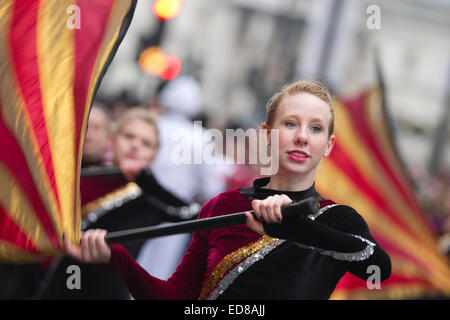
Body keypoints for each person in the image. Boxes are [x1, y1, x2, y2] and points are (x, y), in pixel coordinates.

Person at [63, 80, 391, 299]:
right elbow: (177, 297)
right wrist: (120, 262)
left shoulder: (336, 218)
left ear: (328, 145)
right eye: (290, 124)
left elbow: (376, 265)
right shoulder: (223, 206)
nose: (302, 137)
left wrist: (297, 228)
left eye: (316, 128)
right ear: (267, 133)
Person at [41, 108, 194, 299]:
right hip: (59, 284)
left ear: (153, 156)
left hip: (107, 292)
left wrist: (149, 183)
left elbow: (194, 215)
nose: (135, 145)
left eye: (146, 143)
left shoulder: (151, 198)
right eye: (129, 136)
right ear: (112, 140)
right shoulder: (86, 174)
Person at [81, 103, 111, 168]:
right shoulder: (58, 170)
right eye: (85, 127)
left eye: (96, 128)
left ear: (107, 135)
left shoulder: (114, 171)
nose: (89, 135)